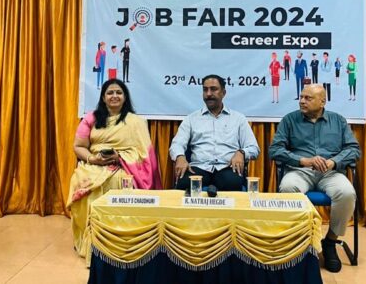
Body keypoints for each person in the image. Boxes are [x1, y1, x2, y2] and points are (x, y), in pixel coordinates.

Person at [268, 84, 360, 273]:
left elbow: (353, 149)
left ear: (322, 101)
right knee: (287, 188)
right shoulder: (289, 120)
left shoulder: (338, 121)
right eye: (301, 97)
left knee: (347, 193)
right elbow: (275, 150)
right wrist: (303, 160)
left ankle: (330, 242)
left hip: (331, 173)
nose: (302, 101)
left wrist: (334, 162)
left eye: (308, 98)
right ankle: (298, 242)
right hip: (300, 170)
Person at [67, 79, 162, 259]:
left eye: (119, 92)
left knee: (119, 181)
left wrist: (120, 158)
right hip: (94, 164)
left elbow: (144, 154)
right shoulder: (91, 118)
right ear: (103, 97)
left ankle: (123, 240)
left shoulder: (136, 122)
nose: (114, 96)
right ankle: (91, 238)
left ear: (125, 97)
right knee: (80, 180)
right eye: (110, 93)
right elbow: (78, 146)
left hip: (125, 166)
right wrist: (93, 159)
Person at [170, 74, 260, 191]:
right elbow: (176, 144)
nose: (208, 94)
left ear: (223, 93)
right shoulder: (191, 119)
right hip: (199, 167)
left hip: (227, 168)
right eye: (205, 90)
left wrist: (242, 153)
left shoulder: (238, 119)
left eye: (213, 89)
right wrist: (180, 156)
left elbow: (254, 148)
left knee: (232, 183)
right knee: (184, 183)